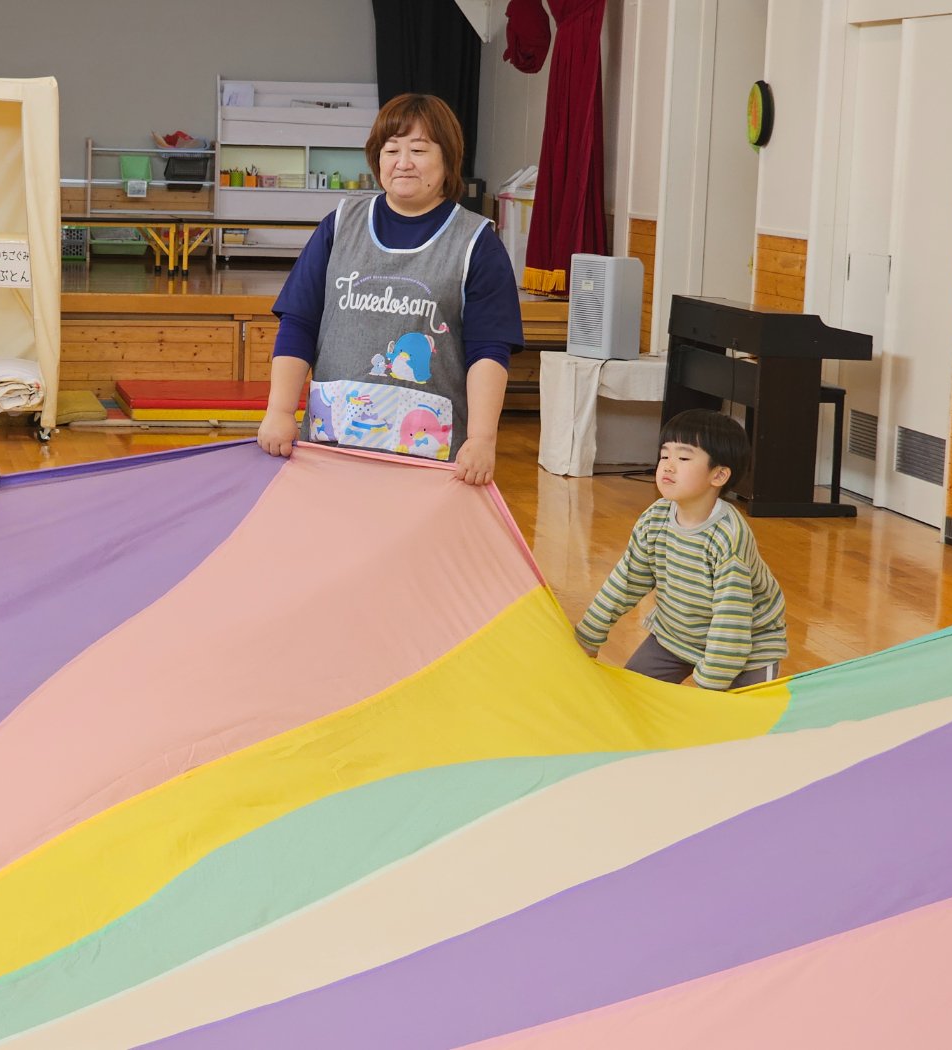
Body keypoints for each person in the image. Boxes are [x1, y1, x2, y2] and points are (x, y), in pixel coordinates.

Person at [255, 93, 523, 486]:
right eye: (391, 149)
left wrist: (483, 438)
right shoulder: (339, 226)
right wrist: (279, 410)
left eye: (419, 149)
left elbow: (488, 350)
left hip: (429, 457)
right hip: (333, 446)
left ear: (448, 158)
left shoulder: (477, 243)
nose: (403, 162)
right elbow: (299, 322)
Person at [575, 409, 788, 690]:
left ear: (719, 475)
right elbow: (625, 582)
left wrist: (708, 687)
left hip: (747, 648)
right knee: (630, 696)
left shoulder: (728, 537)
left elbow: (731, 622)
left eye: (684, 458)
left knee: (746, 714)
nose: (668, 466)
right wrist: (588, 637)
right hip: (675, 635)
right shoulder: (655, 519)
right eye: (665, 456)